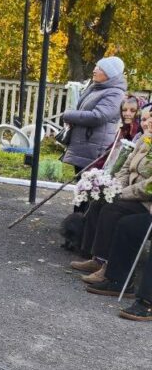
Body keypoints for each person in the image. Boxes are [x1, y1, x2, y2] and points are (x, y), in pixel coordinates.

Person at [69, 106, 152, 285]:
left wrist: (122, 194)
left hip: (146, 201)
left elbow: (148, 186)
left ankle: (108, 266)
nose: (149, 122)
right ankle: (97, 259)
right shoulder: (144, 140)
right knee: (100, 201)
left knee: (113, 209)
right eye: (147, 118)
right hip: (130, 192)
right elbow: (125, 169)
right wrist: (115, 188)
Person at [60, 56, 127, 175]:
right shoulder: (96, 88)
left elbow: (98, 116)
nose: (94, 70)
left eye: (100, 68)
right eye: (96, 66)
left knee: (87, 186)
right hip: (86, 145)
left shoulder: (115, 93)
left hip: (94, 148)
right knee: (81, 185)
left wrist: (68, 115)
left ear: (109, 73)